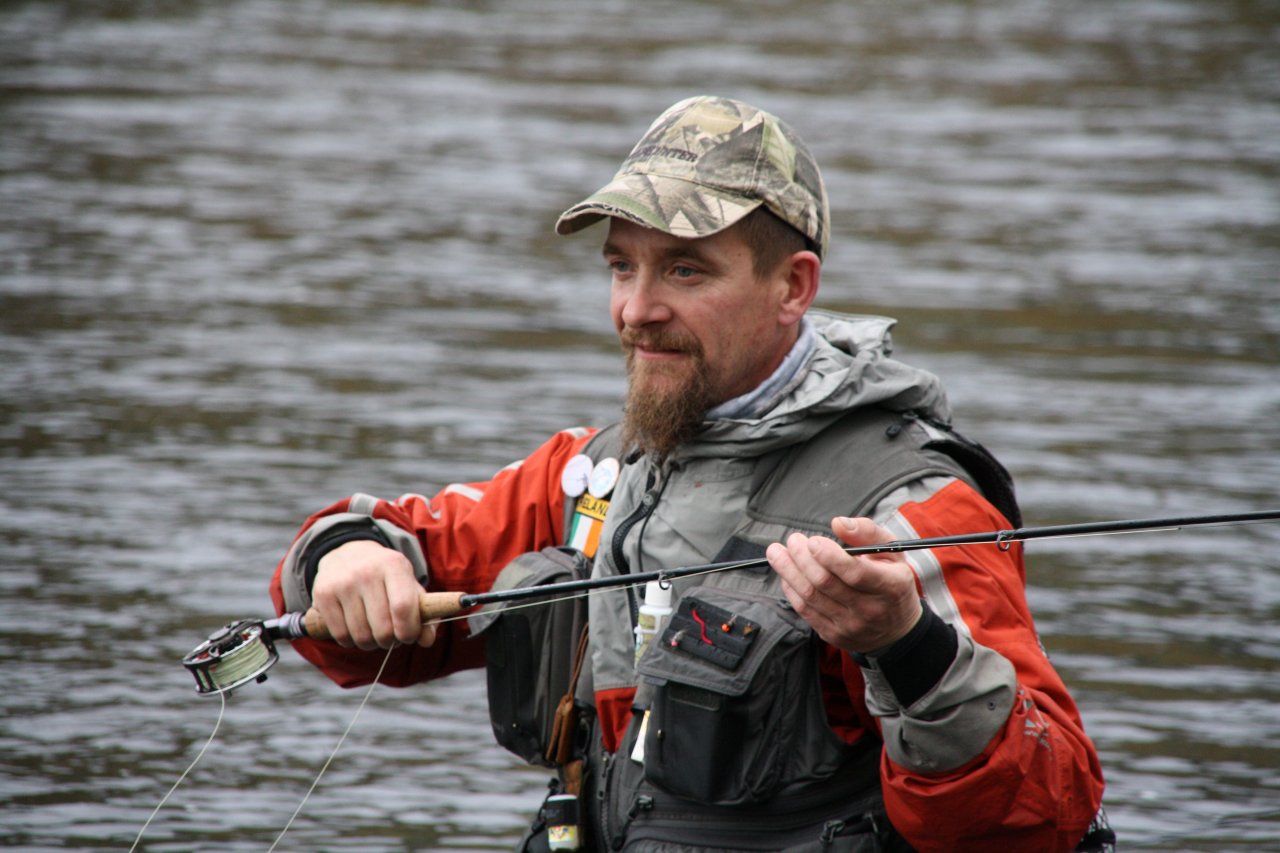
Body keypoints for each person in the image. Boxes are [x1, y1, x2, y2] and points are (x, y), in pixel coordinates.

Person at [270, 95, 1110, 852]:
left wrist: (908, 647)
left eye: (684, 269)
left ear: (793, 287)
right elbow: (358, 586)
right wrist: (348, 557)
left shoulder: (912, 506)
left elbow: (1042, 815)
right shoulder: (591, 473)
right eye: (621, 266)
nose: (636, 310)